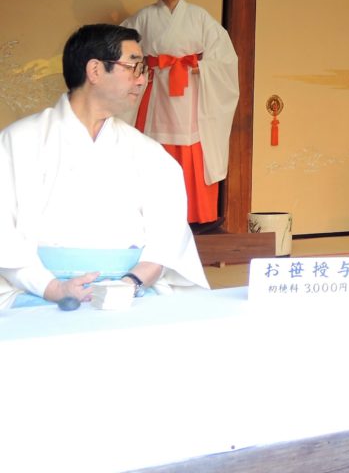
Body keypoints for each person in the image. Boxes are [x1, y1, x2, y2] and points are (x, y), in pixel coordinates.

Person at [0, 24, 209, 308]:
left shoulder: (150, 154)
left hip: (130, 296)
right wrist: (53, 289)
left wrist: (129, 284)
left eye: (143, 70)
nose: (142, 81)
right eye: (134, 67)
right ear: (95, 70)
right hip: (34, 295)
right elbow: (4, 236)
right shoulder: (17, 141)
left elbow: (169, 240)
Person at [122, 0, 239, 225]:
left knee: (194, 145)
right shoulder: (143, 17)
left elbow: (225, 56)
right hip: (156, 91)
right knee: (152, 147)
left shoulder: (199, 17)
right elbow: (121, 46)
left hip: (191, 94)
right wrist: (141, 67)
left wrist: (204, 67)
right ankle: (152, 216)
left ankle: (197, 215)